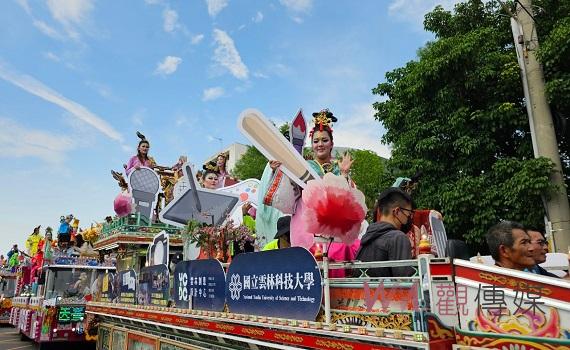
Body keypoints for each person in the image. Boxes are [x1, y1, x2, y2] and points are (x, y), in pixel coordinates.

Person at [355, 188, 415, 277]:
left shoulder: (366, 238)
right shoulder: (398, 238)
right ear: (397, 211)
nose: (408, 218)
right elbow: (405, 281)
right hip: (386, 291)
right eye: (408, 214)